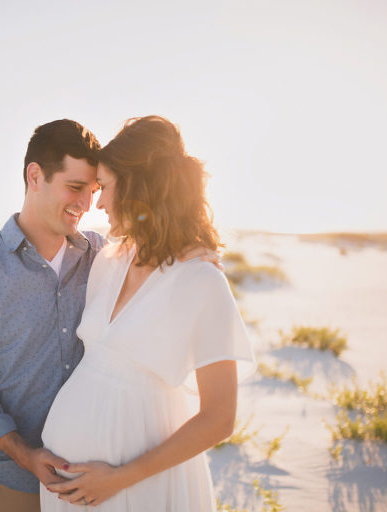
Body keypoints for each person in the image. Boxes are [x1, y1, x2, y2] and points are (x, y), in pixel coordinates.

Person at [0, 118, 221, 512]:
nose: (86, 205)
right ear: (34, 176)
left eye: (93, 190)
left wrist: (198, 250)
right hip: (8, 481)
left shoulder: (105, 256)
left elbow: (166, 248)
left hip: (91, 490)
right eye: (74, 188)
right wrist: (26, 455)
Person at [40, 116, 256, 511]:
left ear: (140, 187)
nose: (98, 203)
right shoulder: (108, 260)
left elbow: (220, 417)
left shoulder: (201, 280)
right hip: (68, 490)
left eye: (104, 187)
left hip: (141, 486)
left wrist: (120, 478)